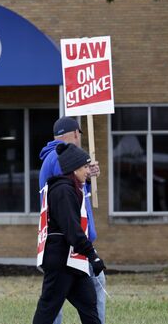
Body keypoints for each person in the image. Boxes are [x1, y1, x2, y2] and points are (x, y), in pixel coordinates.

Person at [38, 116, 106, 324]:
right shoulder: (60, 167)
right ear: (76, 133)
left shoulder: (57, 160)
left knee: (68, 300)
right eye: (84, 167)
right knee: (53, 303)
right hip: (68, 249)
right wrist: (90, 252)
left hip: (71, 248)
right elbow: (68, 216)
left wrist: (86, 176)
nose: (87, 170)